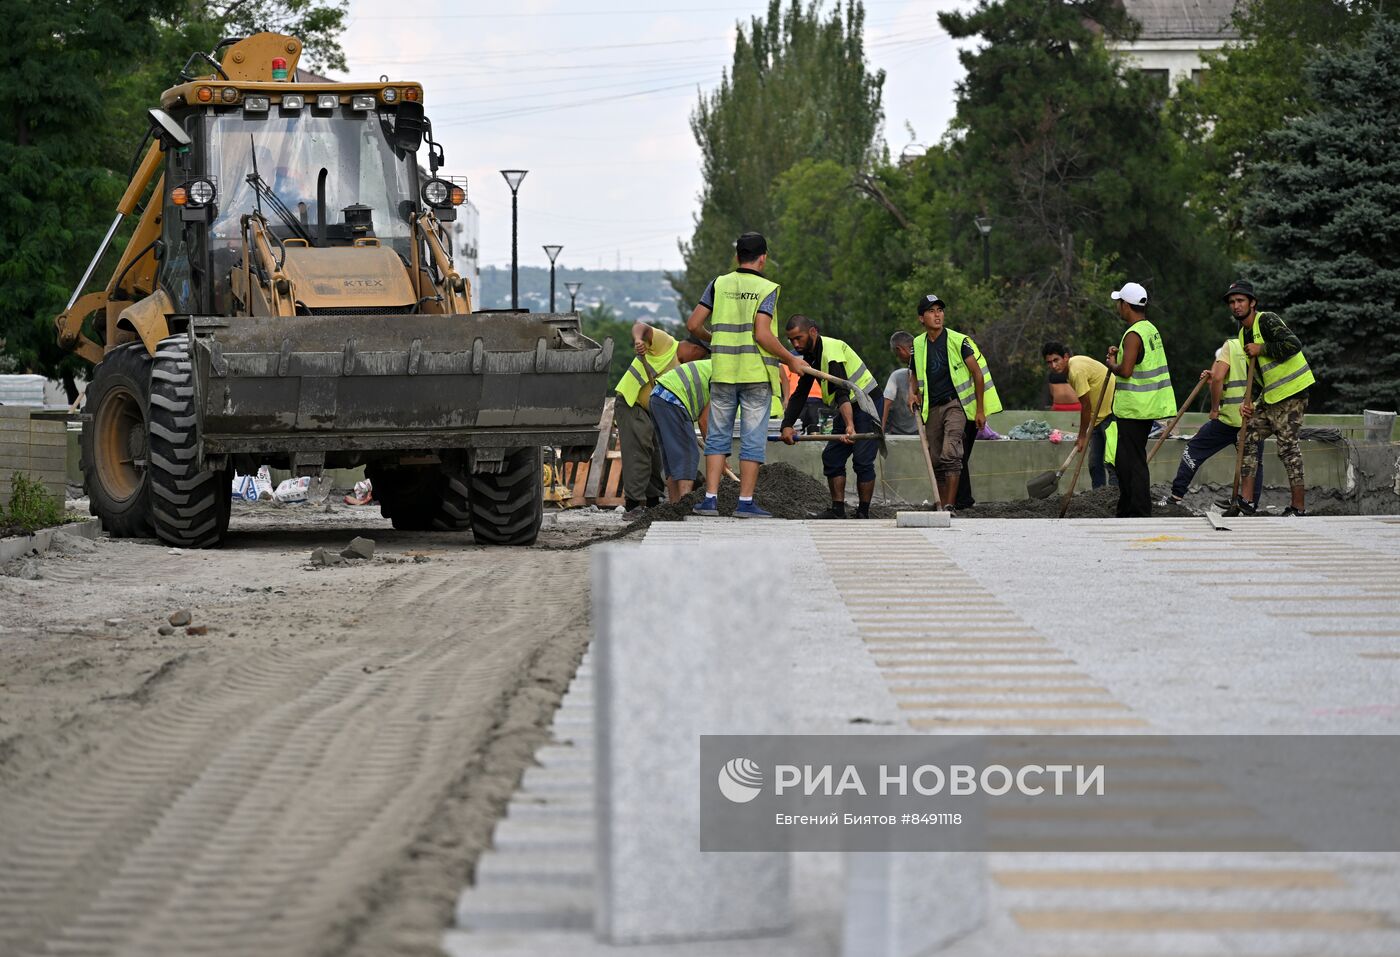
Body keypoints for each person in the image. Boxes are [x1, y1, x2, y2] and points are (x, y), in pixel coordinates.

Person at [685, 233, 803, 518]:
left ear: (737, 256)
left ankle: (710, 500)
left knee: (716, 437)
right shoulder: (767, 289)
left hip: (724, 372)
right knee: (752, 438)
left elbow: (693, 324)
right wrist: (790, 359)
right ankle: (745, 502)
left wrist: (714, 339)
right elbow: (763, 334)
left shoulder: (718, 284)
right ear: (763, 257)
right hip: (755, 376)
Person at [779, 316, 883, 519]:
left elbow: (841, 391)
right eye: (791, 340)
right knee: (832, 457)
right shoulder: (811, 356)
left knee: (862, 460)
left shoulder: (831, 351)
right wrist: (787, 425)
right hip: (847, 407)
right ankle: (837, 510)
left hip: (867, 404)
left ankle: (863, 512)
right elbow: (801, 393)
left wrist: (850, 426)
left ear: (812, 332)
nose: (795, 344)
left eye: (798, 338)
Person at [1227, 279, 1315, 517]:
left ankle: (1298, 507)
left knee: (1287, 447)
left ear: (1252, 302)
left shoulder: (1266, 320)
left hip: (1293, 392)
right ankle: (1246, 501)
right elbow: (1257, 376)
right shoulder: (1243, 333)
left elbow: (1293, 344)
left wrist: (1262, 348)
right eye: (1232, 302)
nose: (1236, 306)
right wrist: (1250, 403)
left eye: (1240, 301)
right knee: (1246, 434)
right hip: (1272, 396)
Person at [907, 294, 1000, 513]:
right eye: (931, 311)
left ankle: (950, 505)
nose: (937, 315)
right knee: (936, 457)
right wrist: (912, 393)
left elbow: (977, 374)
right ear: (921, 318)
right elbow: (913, 372)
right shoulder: (917, 344)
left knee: (951, 452)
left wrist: (979, 409)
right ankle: (940, 505)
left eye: (940, 310)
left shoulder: (959, 341)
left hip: (956, 405)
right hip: (932, 408)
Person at [1163, 331, 1264, 506]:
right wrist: (1213, 376)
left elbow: (1219, 378)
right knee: (1254, 462)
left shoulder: (1230, 347)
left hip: (1229, 419)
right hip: (1254, 418)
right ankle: (1250, 504)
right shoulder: (1264, 349)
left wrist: (1214, 409)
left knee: (1194, 450)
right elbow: (1223, 378)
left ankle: (1176, 496)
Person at [1104, 282, 1174, 517]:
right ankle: (1128, 509)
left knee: (1130, 464)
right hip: (1146, 407)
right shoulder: (1150, 329)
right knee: (1129, 461)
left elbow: (1126, 370)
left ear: (1126, 305)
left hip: (1135, 409)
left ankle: (1137, 512)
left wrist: (1111, 364)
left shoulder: (1133, 334)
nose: (1118, 307)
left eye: (1119, 303)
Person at [612, 321, 683, 519]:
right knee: (639, 448)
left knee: (656, 453)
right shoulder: (667, 344)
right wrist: (638, 340)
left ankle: (654, 501)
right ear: (694, 347)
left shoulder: (686, 369)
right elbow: (639, 325)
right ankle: (633, 504)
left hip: (653, 410)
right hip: (630, 402)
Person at [1043, 342, 1118, 489]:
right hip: (1096, 416)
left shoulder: (1076, 371)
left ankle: (1115, 496)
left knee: (1111, 461)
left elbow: (1085, 406)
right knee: (1094, 463)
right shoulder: (1069, 371)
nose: (1053, 365)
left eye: (1056, 360)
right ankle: (1098, 496)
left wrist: (1082, 436)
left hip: (1111, 412)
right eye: (1049, 362)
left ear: (1065, 357)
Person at [648, 344, 713, 502]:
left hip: (658, 397)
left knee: (673, 458)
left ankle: (674, 504)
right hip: (672, 399)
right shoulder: (724, 379)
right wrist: (717, 454)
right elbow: (704, 422)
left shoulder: (714, 367)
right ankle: (684, 502)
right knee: (688, 454)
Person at [881, 332, 919, 436]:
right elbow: (887, 402)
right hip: (899, 432)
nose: (898, 358)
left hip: (921, 430)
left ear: (899, 349)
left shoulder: (923, 368)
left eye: (897, 355)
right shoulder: (897, 376)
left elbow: (886, 403)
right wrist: (881, 430)